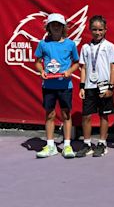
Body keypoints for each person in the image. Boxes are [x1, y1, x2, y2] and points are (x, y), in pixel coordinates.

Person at [34, 13, 80, 159]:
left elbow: (77, 63)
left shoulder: (71, 44)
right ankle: (50, 145)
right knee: (50, 114)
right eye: (53, 24)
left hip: (65, 86)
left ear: (63, 27)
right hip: (48, 85)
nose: (56, 27)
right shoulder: (43, 44)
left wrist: (69, 72)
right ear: (48, 27)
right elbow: (37, 62)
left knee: (66, 114)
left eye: (58, 24)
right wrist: (41, 71)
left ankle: (67, 145)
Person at [76, 15, 114, 158]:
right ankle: (87, 144)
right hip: (89, 86)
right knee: (86, 116)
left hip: (104, 86)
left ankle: (102, 143)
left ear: (105, 30)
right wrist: (82, 86)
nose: (97, 32)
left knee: (104, 115)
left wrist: (111, 88)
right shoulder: (85, 47)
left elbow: (113, 68)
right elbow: (83, 68)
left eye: (100, 29)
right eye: (94, 29)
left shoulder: (110, 46)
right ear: (89, 30)